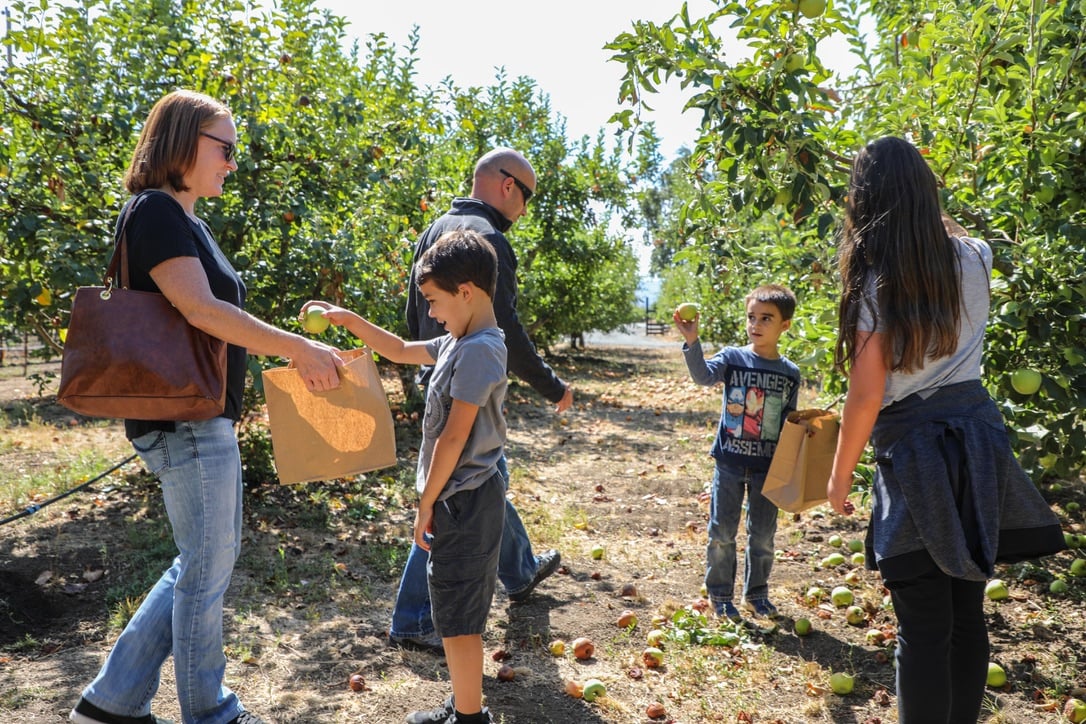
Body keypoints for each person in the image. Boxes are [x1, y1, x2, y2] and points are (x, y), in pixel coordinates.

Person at [68, 90, 342, 724]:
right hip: (185, 422)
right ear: (182, 143)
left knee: (201, 564)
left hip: (197, 418)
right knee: (204, 570)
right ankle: (210, 711)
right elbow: (201, 310)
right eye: (225, 148)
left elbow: (207, 315)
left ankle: (110, 705)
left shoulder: (186, 220)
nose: (233, 163)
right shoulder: (156, 212)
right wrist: (297, 346)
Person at [825, 136, 1066, 723]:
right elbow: (947, 230)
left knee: (924, 626)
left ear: (866, 200)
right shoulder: (976, 256)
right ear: (927, 195)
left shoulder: (878, 283)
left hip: (917, 454)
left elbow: (867, 394)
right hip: (977, 441)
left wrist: (839, 476)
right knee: (965, 614)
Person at [300, 228, 507, 724]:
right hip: (458, 497)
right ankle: (463, 703)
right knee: (451, 608)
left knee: (460, 617)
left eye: (434, 301)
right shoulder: (458, 341)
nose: (431, 313)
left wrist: (426, 502)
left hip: (466, 499)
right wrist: (348, 320)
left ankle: (470, 717)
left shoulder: (479, 349)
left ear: (466, 292)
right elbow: (397, 349)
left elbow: (453, 438)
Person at [389, 148, 567, 653]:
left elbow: (414, 314)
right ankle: (413, 618)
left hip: (441, 372)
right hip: (468, 382)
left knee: (486, 481)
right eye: (526, 197)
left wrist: (430, 368)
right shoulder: (488, 241)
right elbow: (504, 329)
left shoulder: (436, 228)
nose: (524, 210)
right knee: (457, 490)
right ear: (508, 186)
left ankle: (520, 570)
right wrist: (551, 385)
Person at [673, 285, 801, 622]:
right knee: (722, 533)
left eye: (766, 318)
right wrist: (692, 340)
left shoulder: (790, 372)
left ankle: (756, 595)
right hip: (729, 462)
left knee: (763, 536)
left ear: (785, 325)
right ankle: (719, 596)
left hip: (768, 467)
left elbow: (789, 420)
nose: (755, 324)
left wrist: (806, 435)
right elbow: (703, 377)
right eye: (751, 317)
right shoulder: (733, 357)